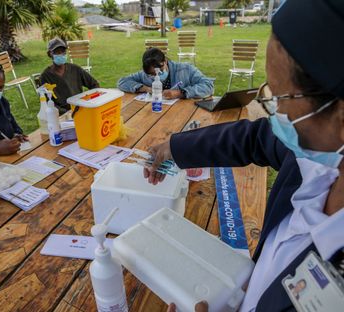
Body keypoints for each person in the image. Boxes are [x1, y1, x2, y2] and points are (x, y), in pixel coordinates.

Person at [144, 1, 344, 311]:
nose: (271, 109)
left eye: (278, 97)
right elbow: (254, 138)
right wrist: (174, 146)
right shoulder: (316, 158)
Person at [117, 48, 214, 99]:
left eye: (160, 70)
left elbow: (208, 86)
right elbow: (122, 82)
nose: (157, 75)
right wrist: (145, 88)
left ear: (165, 61)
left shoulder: (185, 69)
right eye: (152, 74)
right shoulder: (144, 74)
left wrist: (181, 93)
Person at [40, 38, 100, 114]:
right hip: (61, 114)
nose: (61, 54)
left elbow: (94, 84)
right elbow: (47, 102)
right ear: (49, 54)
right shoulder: (45, 76)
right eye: (57, 52)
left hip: (81, 107)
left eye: (63, 52)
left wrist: (88, 102)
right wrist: (65, 112)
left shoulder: (75, 69)